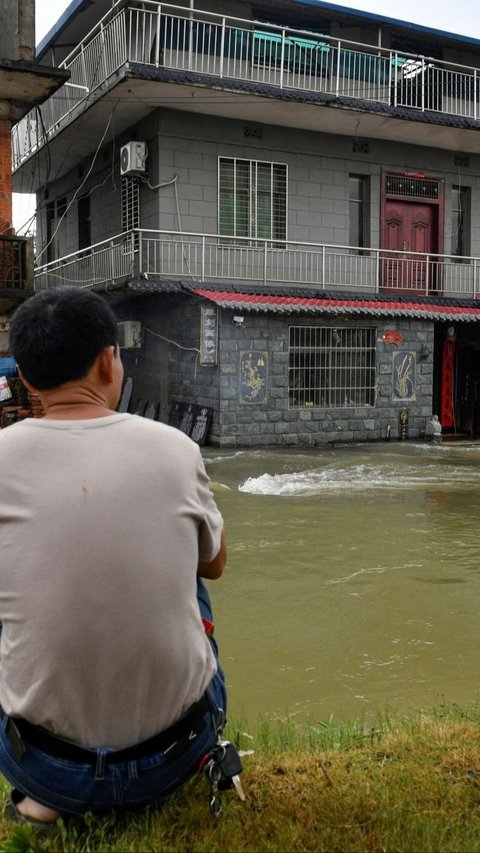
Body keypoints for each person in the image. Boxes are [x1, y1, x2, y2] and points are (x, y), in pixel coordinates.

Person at [0, 286, 228, 828]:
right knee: (193, 572)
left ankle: (50, 797)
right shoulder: (176, 448)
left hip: (43, 768)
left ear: (27, 379)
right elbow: (216, 563)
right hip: (173, 757)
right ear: (109, 362)